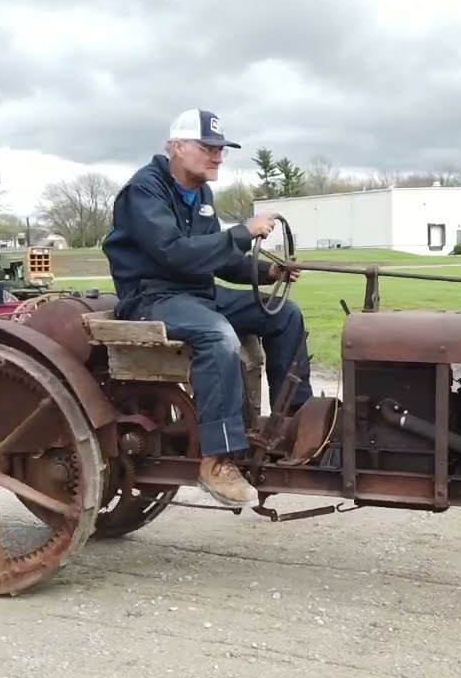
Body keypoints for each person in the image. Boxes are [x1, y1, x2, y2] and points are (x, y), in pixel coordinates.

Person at [102, 108, 314, 508]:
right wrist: (241, 231)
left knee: (285, 314)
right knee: (218, 336)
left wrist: (270, 271)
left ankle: (297, 425)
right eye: (209, 148)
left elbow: (213, 257)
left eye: (221, 150)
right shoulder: (144, 191)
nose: (217, 157)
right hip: (152, 298)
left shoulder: (201, 193)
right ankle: (217, 461)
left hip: (197, 293)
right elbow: (175, 253)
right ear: (177, 148)